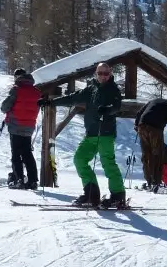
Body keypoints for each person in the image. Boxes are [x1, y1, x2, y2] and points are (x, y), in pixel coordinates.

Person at [45, 62, 125, 208]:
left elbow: (117, 106)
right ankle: (91, 194)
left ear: (110, 73)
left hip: (105, 133)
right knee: (79, 159)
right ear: (96, 73)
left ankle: (118, 195)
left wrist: (107, 110)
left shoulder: (113, 89)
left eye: (105, 74)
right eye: (100, 73)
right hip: (91, 134)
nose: (103, 76)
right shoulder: (91, 88)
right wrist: (51, 102)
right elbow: (73, 98)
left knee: (108, 163)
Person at [0, 68, 43, 189]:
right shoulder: (36, 92)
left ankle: (18, 179)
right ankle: (33, 180)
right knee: (27, 154)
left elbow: (5, 107)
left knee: (16, 154)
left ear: (17, 78)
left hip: (15, 125)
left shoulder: (16, 90)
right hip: (29, 126)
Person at [134, 97, 167, 189]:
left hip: (142, 125)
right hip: (155, 128)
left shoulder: (155, 101)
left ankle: (148, 181)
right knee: (157, 155)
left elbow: (139, 112)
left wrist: (136, 124)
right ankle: (156, 182)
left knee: (146, 155)